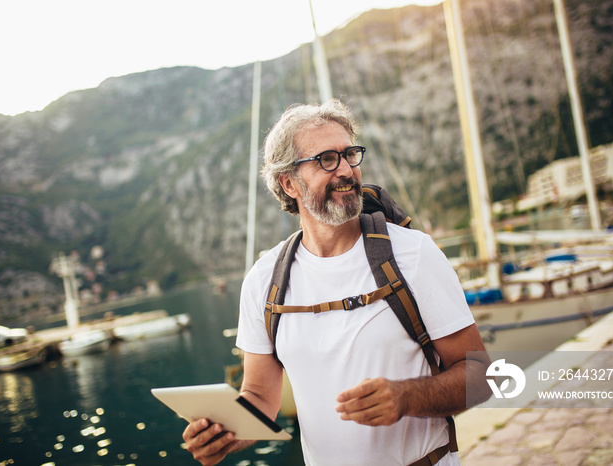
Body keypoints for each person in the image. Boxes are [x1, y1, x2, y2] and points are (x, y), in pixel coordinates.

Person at [183, 99, 492, 466]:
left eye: (350, 155)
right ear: (289, 183)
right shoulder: (264, 281)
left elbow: (482, 376)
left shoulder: (413, 254)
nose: (346, 170)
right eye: (327, 159)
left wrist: (407, 397)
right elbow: (260, 398)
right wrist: (224, 435)